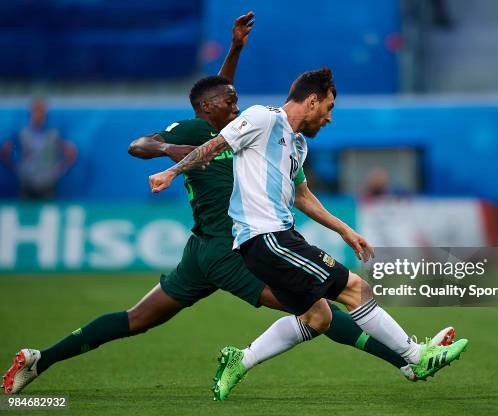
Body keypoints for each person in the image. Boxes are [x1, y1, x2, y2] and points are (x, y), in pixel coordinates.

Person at [2, 13, 454, 396]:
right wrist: (170, 155)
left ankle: (40, 359)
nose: (236, 104)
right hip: (230, 249)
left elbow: (221, 91)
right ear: (210, 108)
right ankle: (407, 360)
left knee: (137, 319)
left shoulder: (241, 129)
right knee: (318, 308)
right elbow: (139, 144)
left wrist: (235, 48)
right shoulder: (197, 132)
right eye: (229, 101)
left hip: (204, 248)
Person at [149, 67, 468, 400]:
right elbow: (215, 145)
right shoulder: (264, 118)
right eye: (328, 108)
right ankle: (416, 357)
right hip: (266, 238)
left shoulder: (297, 145)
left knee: (318, 316)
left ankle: (240, 360)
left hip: (272, 241)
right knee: (356, 288)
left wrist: (345, 230)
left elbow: (302, 196)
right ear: (312, 101)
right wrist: (171, 171)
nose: (329, 118)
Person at [0, 98, 77, 199]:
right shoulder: (22, 134)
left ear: (45, 114)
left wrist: (58, 171)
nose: (38, 116)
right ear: (31, 113)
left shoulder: (53, 134)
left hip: (47, 184)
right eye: (36, 112)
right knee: (26, 212)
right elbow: (5, 151)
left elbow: (71, 153)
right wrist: (17, 169)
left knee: (47, 212)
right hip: (27, 183)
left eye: (41, 112)